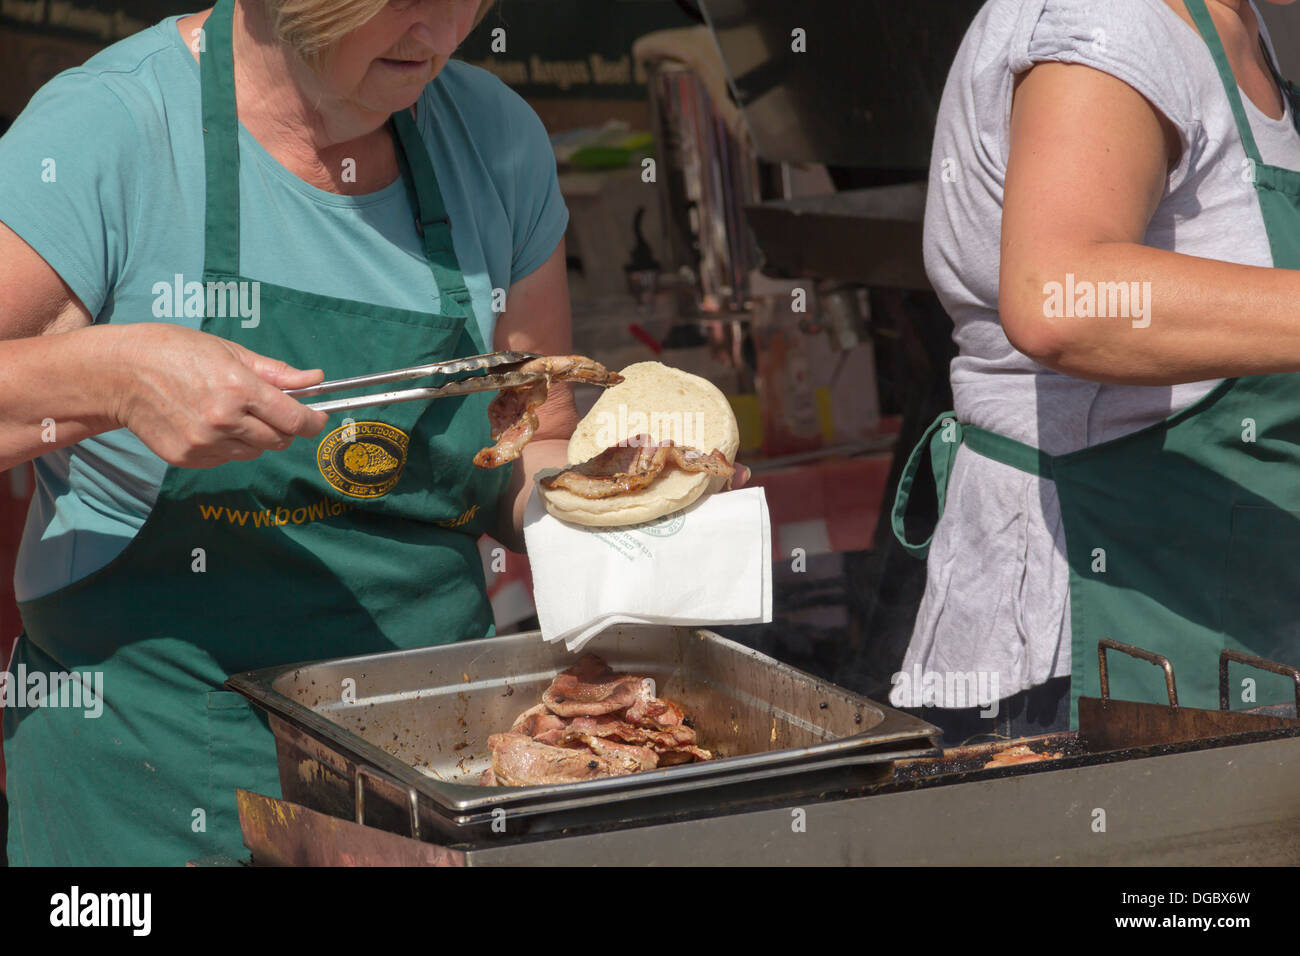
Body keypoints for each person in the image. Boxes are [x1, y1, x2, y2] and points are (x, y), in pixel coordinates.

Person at [0, 0, 577, 864]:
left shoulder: (495, 139)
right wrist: (115, 378)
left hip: (435, 765)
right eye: (408, 2)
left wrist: (615, 503)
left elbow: (537, 435)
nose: (443, 34)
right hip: (154, 786)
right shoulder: (110, 128)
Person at [892, 0, 1300, 737]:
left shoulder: (1243, 24)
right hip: (1106, 644)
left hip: (1230, 626)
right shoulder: (1108, 16)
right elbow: (1061, 296)